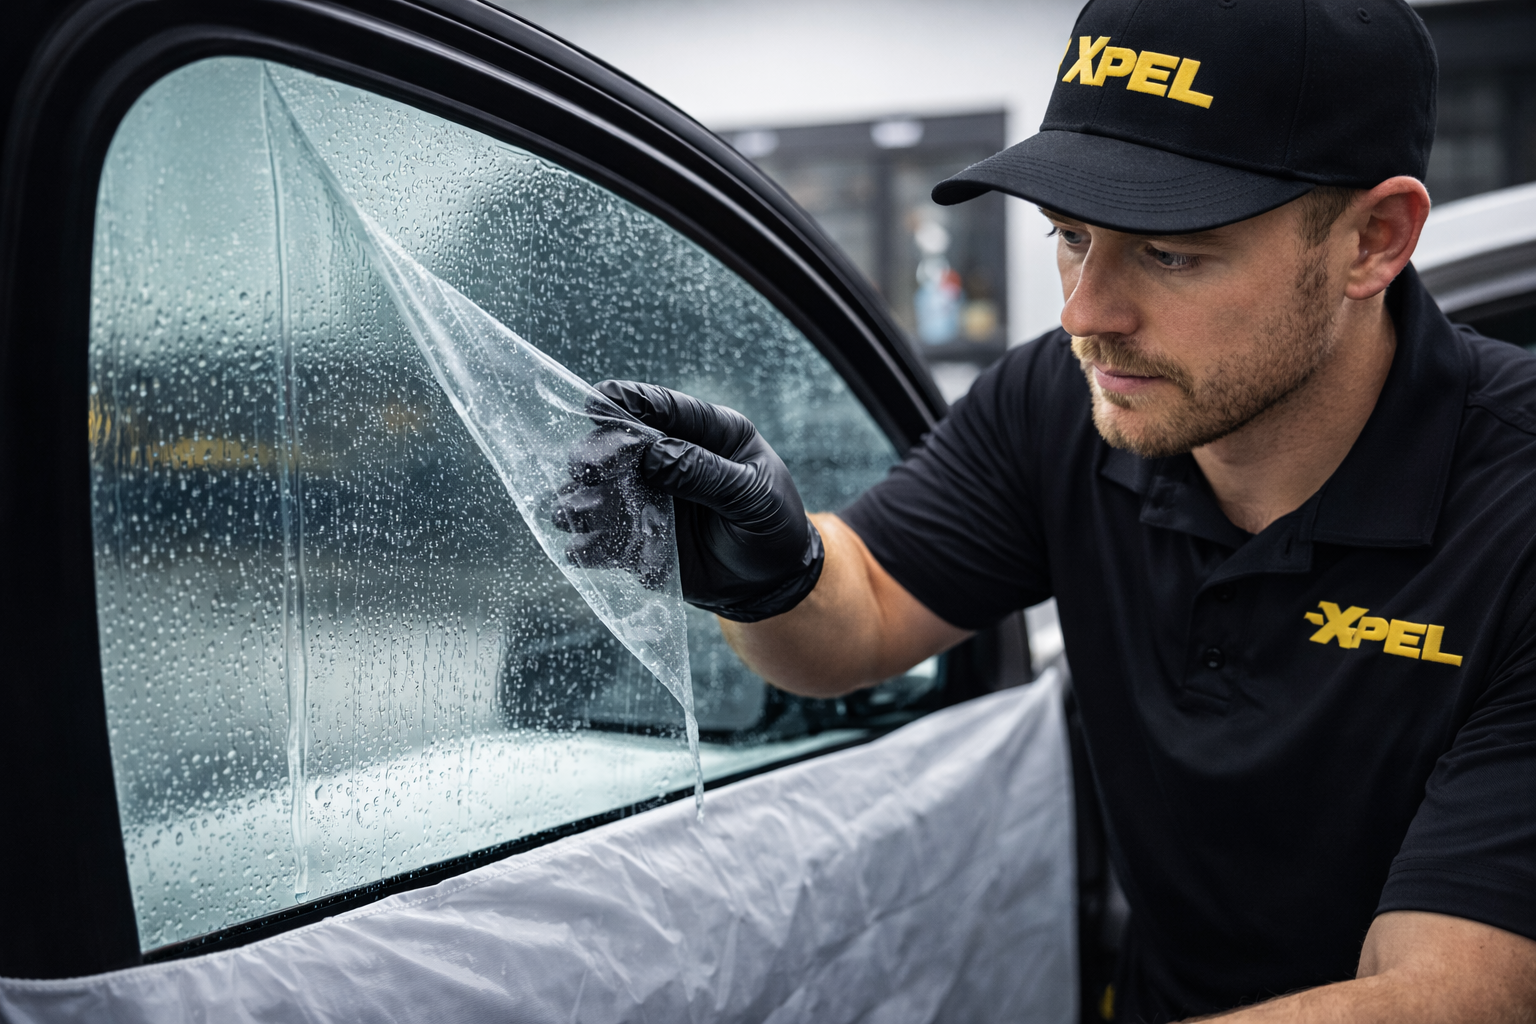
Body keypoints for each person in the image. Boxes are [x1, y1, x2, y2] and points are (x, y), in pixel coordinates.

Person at [556, 0, 1536, 1019]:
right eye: (1071, 235)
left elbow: (1456, 997)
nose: (1083, 314)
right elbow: (866, 612)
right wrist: (773, 570)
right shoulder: (1063, 404)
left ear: (1374, 240)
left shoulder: (1512, 515)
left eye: (1171, 252)